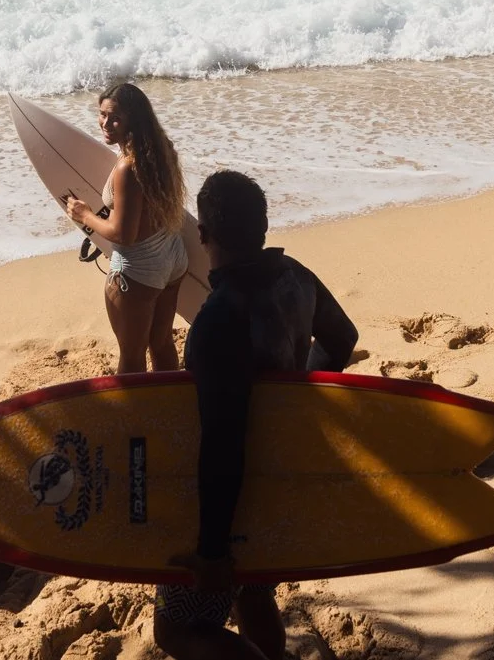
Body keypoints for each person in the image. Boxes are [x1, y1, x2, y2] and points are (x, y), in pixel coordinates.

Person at [154, 170, 359, 660]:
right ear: (264, 228)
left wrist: (211, 552)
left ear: (202, 234)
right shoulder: (296, 278)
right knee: (254, 591)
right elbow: (343, 338)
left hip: (236, 498)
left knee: (178, 629)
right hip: (283, 477)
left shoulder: (218, 320)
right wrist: (298, 401)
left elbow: (222, 442)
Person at [64, 83, 189, 374]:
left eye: (115, 118)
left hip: (139, 271)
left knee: (132, 358)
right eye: (102, 114)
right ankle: (170, 397)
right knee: (161, 342)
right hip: (173, 258)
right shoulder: (162, 151)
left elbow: (123, 235)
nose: (105, 123)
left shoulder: (127, 168)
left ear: (134, 120)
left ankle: (135, 405)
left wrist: (85, 215)